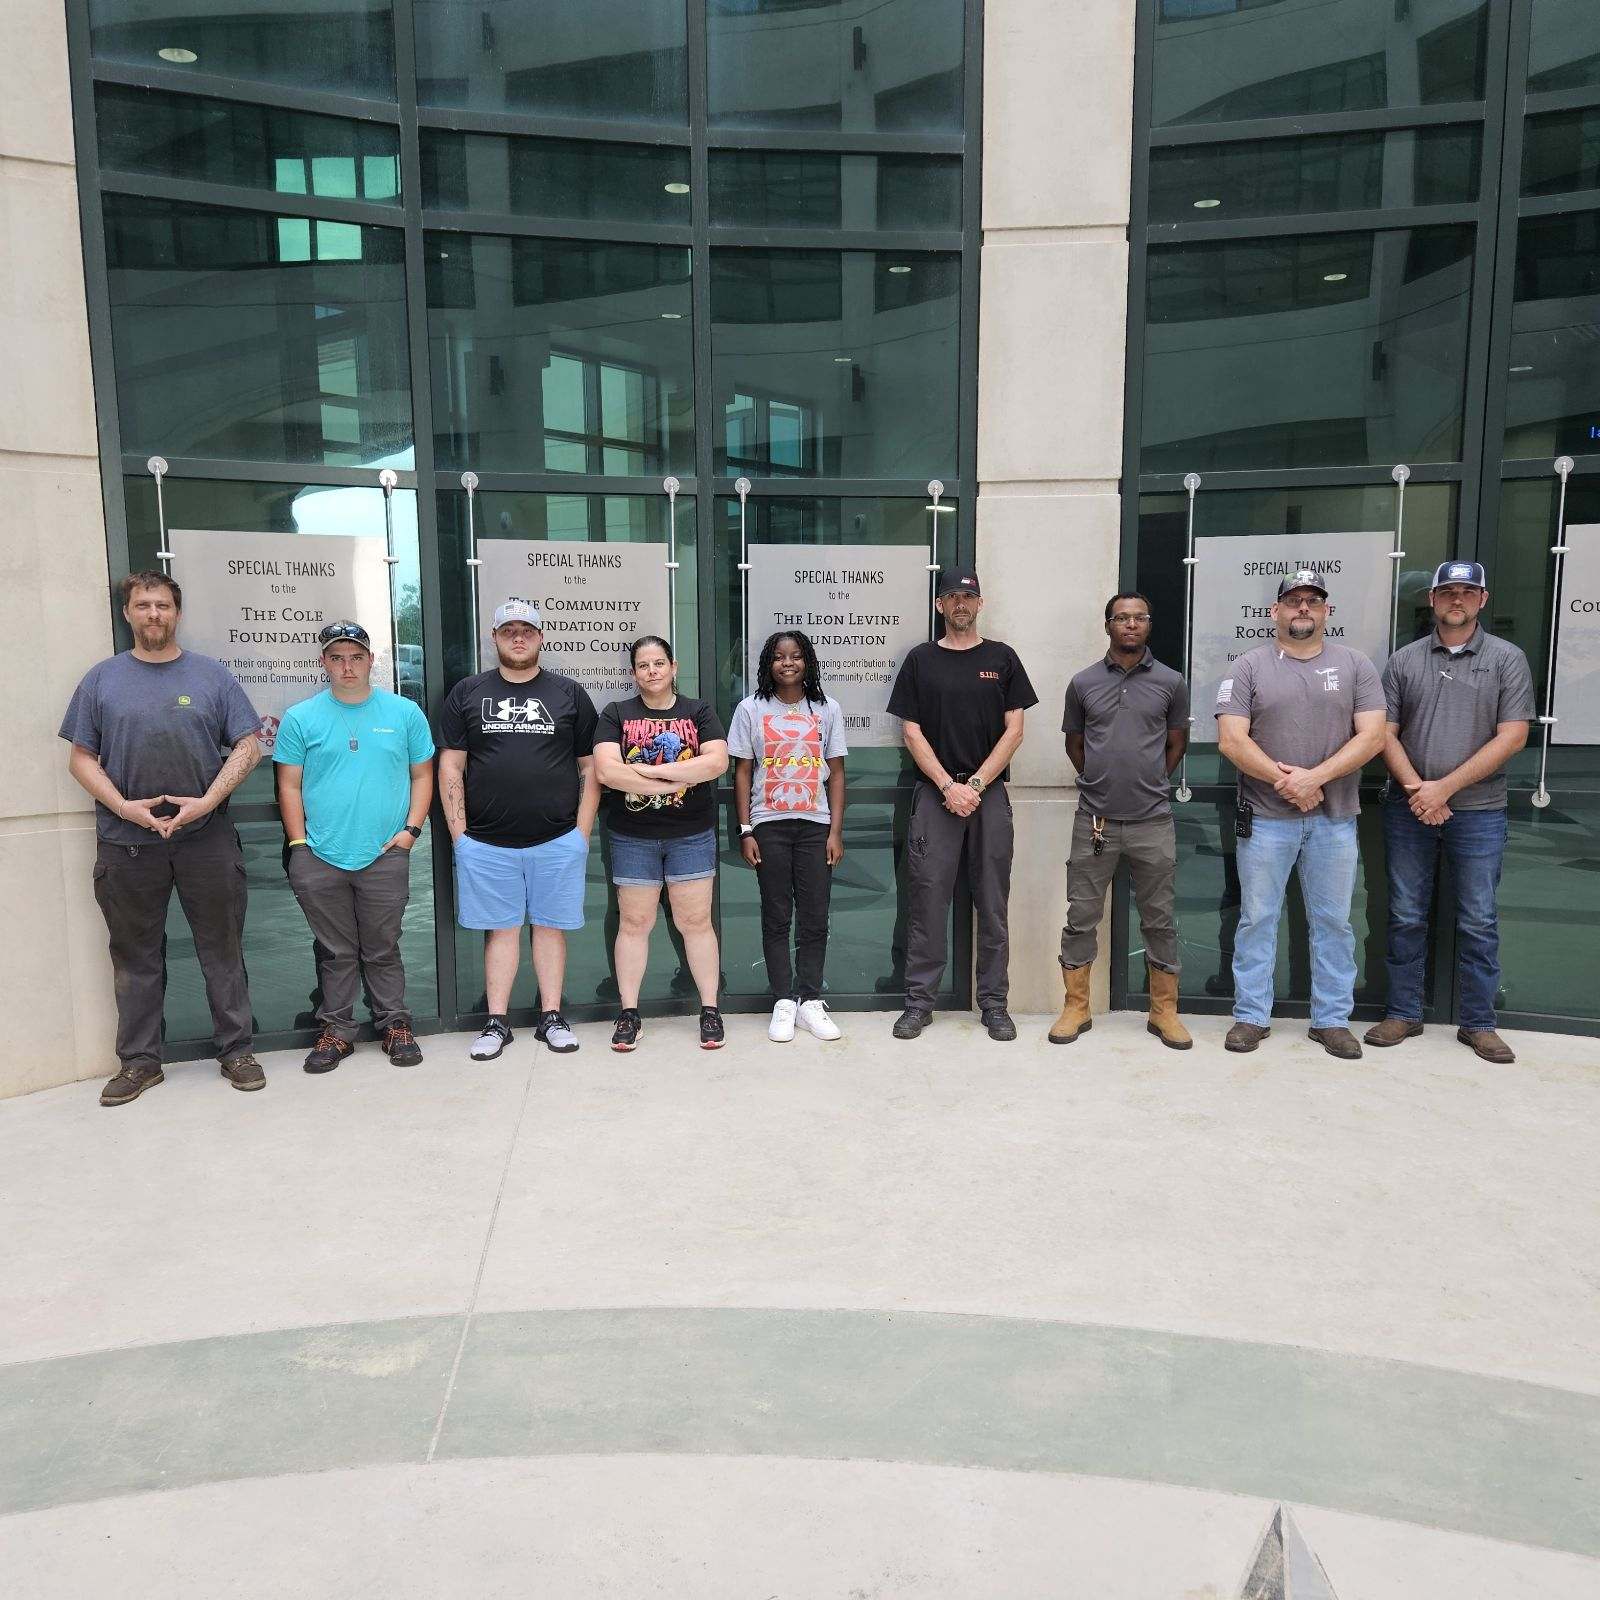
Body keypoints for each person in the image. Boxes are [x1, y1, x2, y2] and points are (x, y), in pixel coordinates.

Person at [59, 570, 265, 1105]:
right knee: (135, 956)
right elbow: (81, 758)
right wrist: (125, 807)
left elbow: (249, 745)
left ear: (177, 613)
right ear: (127, 613)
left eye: (164, 605)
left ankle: (237, 1051)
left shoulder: (212, 677)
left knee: (221, 949)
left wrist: (208, 801)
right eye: (144, 605)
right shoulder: (101, 680)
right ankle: (140, 1063)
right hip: (127, 843)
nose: (154, 614)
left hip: (207, 839)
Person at [1215, 569, 1386, 1058]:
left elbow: (1372, 736)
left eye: (1313, 601)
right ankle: (1251, 1016)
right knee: (1257, 918)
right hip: (1266, 819)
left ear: (1327, 611)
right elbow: (1231, 740)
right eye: (1293, 601)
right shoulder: (1247, 667)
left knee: (1334, 920)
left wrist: (1315, 780)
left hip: (1334, 820)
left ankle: (1331, 1019)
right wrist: (1286, 781)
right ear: (1275, 611)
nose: (1303, 609)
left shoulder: (1356, 666)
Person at [1366, 560, 1533, 1063]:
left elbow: (1514, 736)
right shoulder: (1404, 661)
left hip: (1480, 810)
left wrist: (1445, 788)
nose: (1455, 601)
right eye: (1446, 593)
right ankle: (1403, 1012)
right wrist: (1420, 789)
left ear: (1483, 599)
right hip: (1409, 808)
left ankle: (1479, 1023)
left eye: (1466, 592)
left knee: (1478, 918)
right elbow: (1383, 734)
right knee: (1403, 913)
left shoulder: (1508, 659)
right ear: (1432, 601)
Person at [438, 598, 600, 1060]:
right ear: (494, 638)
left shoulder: (568, 693)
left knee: (550, 928)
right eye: (508, 630)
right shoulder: (468, 692)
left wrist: (581, 835)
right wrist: (460, 836)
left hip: (557, 839)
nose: (518, 636)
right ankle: (497, 1022)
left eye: (526, 629)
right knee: (501, 930)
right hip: (486, 842)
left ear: (540, 637)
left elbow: (590, 767)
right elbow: (451, 765)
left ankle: (551, 1016)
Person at [885, 568, 1038, 1042]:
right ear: (939, 606)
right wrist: (949, 786)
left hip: (988, 797)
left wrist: (973, 784)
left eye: (967, 597)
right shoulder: (920, 660)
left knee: (992, 902)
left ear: (980, 603)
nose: (960, 605)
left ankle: (993, 1004)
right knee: (927, 901)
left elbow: (1015, 729)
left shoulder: (1002, 658)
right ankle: (919, 1003)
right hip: (935, 796)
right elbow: (910, 730)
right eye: (951, 597)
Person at [275, 621, 435, 1073]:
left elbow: (422, 775)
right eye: (337, 657)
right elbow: (288, 785)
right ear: (324, 662)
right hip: (319, 854)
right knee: (335, 950)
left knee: (383, 946)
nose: (347, 666)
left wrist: (411, 831)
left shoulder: (405, 714)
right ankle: (337, 1030)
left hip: (385, 853)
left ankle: (394, 1025)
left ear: (370, 660)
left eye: (356, 656)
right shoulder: (301, 718)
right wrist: (299, 844)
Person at [1051, 592, 1191, 1049]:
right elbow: (1075, 745)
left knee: (1160, 920)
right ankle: (1076, 1006)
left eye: (1139, 618)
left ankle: (1163, 1011)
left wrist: (1149, 782)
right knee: (1081, 917)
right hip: (1096, 821)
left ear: (1149, 625)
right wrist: (1099, 780)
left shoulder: (1171, 682)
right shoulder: (1083, 682)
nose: (1130, 625)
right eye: (1121, 618)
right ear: (1108, 624)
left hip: (1153, 820)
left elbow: (1176, 745)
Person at [593, 636, 729, 1052]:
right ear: (634, 672)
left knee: (695, 923)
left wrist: (649, 773)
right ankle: (629, 1012)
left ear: (674, 666)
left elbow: (717, 762)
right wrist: (679, 775)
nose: (651, 671)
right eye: (643, 665)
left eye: (658, 663)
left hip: (691, 834)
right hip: (633, 837)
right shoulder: (615, 713)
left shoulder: (699, 710)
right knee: (634, 924)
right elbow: (607, 772)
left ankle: (709, 1010)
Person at [729, 630, 848, 1042]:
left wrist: (835, 830)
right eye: (779, 657)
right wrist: (746, 829)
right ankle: (783, 999)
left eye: (796, 656)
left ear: (807, 661)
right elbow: (742, 771)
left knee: (815, 914)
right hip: (769, 824)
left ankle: (810, 1000)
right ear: (768, 663)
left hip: (815, 825)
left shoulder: (827, 708)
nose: (788, 663)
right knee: (776, 913)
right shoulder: (750, 709)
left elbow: (836, 772)